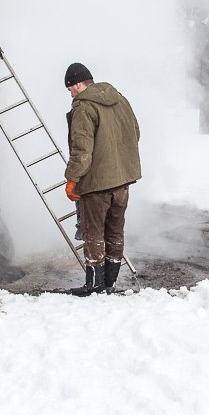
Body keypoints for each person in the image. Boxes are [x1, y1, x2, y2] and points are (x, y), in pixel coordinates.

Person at [63, 62, 141, 294]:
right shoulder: (120, 99)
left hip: (97, 184)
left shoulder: (83, 107)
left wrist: (72, 179)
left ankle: (94, 284)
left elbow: (82, 149)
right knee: (115, 231)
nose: (70, 93)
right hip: (122, 181)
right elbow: (135, 132)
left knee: (93, 232)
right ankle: (110, 282)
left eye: (69, 88)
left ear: (78, 84)